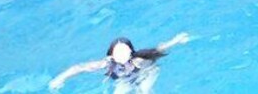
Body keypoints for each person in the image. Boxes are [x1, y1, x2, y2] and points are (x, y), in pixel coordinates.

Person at [48, 33, 189, 90]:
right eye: (117, 52)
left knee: (144, 91)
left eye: (125, 51)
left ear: (130, 52)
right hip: (125, 79)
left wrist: (177, 40)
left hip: (146, 73)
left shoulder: (139, 60)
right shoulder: (107, 63)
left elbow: (159, 49)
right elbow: (79, 68)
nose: (121, 55)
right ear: (111, 54)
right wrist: (60, 78)